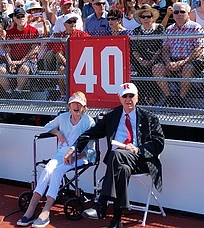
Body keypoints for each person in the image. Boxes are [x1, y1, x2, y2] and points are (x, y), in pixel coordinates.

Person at [73, 83, 164, 228]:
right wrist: (74, 147)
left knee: (115, 156)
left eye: (131, 96)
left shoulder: (149, 118)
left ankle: (101, 204)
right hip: (120, 161)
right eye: (124, 96)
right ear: (120, 99)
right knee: (121, 168)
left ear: (137, 97)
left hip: (140, 159)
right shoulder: (112, 116)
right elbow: (93, 132)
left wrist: (137, 149)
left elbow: (159, 143)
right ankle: (116, 221)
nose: (128, 99)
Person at [17, 92, 96, 228]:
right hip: (61, 154)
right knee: (48, 168)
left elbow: (91, 151)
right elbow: (47, 127)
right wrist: (57, 132)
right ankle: (31, 208)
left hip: (81, 156)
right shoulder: (63, 117)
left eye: (79, 104)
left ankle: (46, 210)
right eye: (73, 104)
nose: (76, 106)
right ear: (69, 105)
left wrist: (75, 156)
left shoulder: (89, 122)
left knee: (58, 171)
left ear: (84, 107)